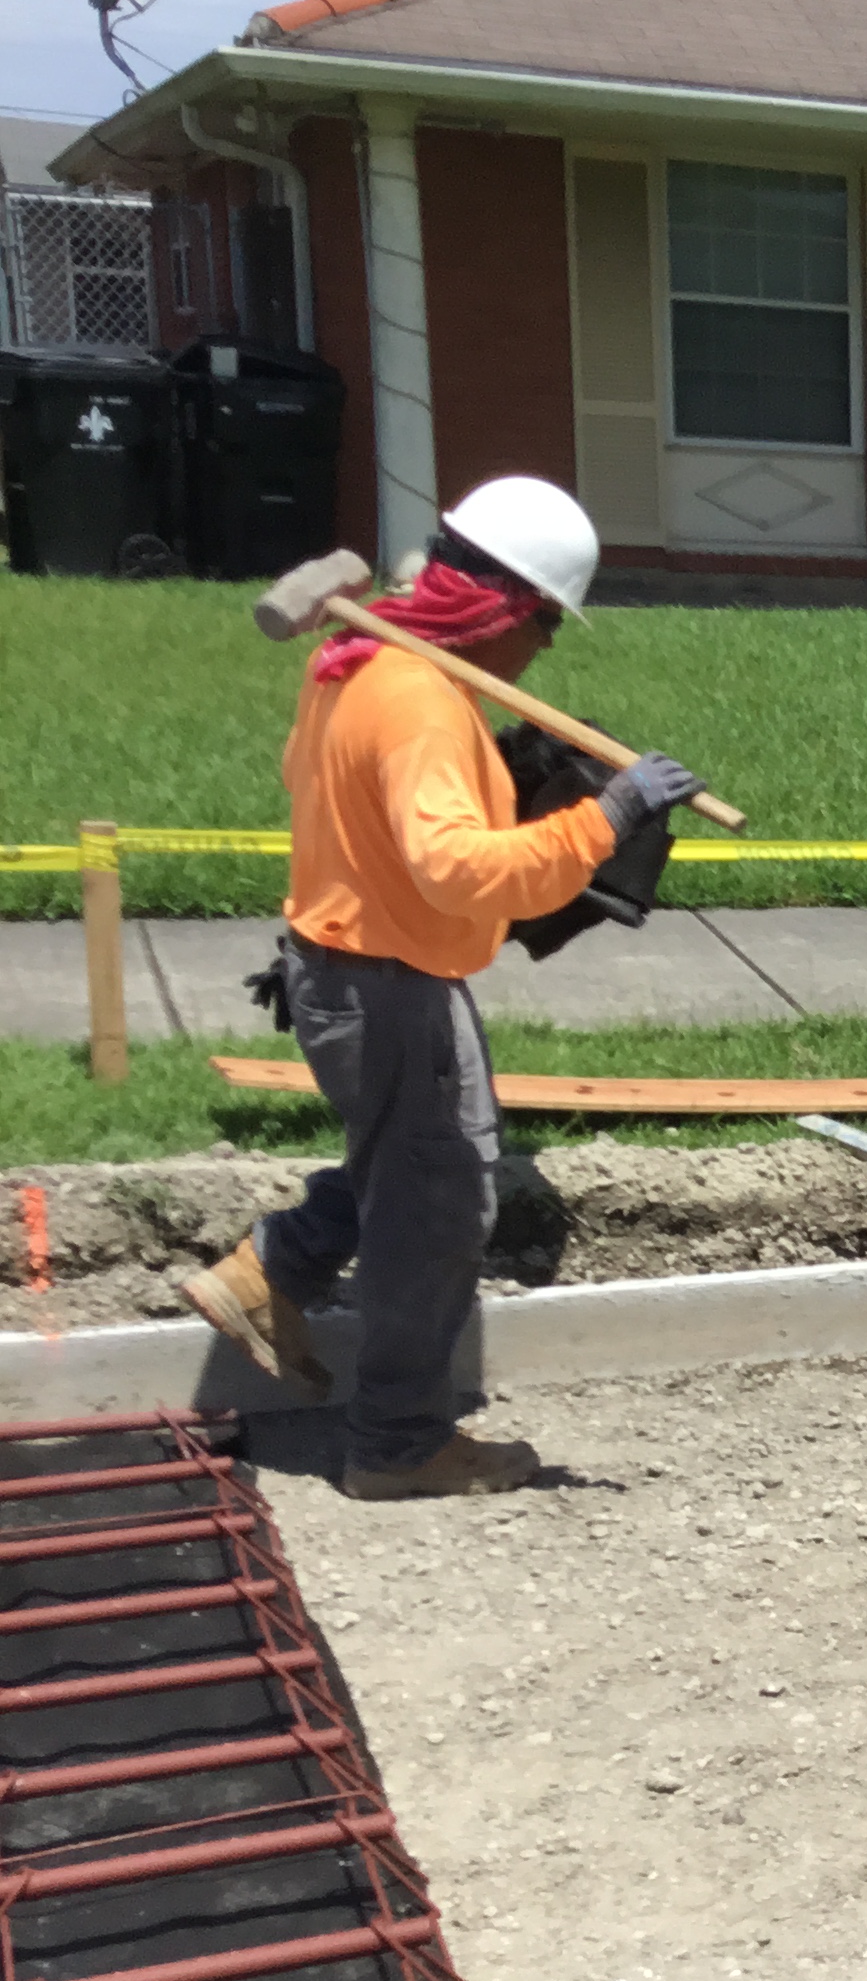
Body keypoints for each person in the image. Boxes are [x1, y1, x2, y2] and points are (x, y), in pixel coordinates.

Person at [181, 477, 709, 1498]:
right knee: (433, 1203)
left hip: (360, 958)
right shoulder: (418, 698)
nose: (548, 648)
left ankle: (273, 1271)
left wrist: (504, 782)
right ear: (506, 607)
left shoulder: (357, 658)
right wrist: (604, 818)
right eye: (548, 621)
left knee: (422, 1168)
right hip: (386, 979)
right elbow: (461, 870)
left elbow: (330, 784)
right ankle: (397, 1442)